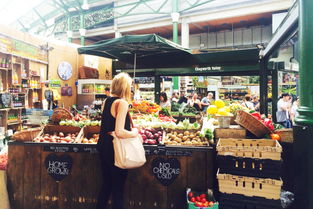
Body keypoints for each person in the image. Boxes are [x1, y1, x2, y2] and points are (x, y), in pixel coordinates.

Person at [97, 72, 139, 209]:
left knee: (106, 185)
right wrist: (134, 133)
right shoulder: (122, 103)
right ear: (125, 87)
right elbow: (119, 132)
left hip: (104, 148)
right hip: (116, 151)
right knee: (118, 190)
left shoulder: (106, 101)